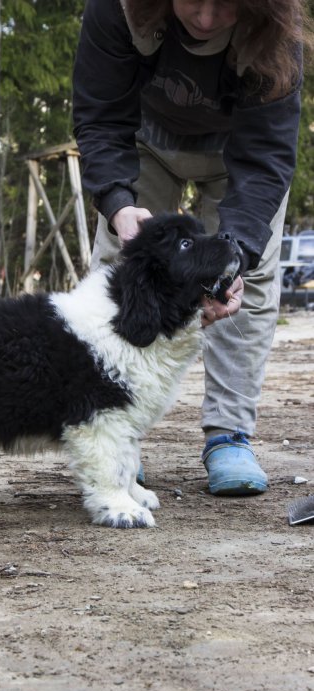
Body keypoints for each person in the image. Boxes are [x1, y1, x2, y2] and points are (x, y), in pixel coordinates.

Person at [72, 0, 307, 496]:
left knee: (253, 276)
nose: (203, 18)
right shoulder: (116, 9)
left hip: (237, 154)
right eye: (192, 0)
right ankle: (112, 436)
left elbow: (266, 158)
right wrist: (117, 204)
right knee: (121, 260)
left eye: (224, 6)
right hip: (142, 142)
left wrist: (238, 252)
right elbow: (99, 119)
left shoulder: (277, 34)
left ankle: (229, 434)